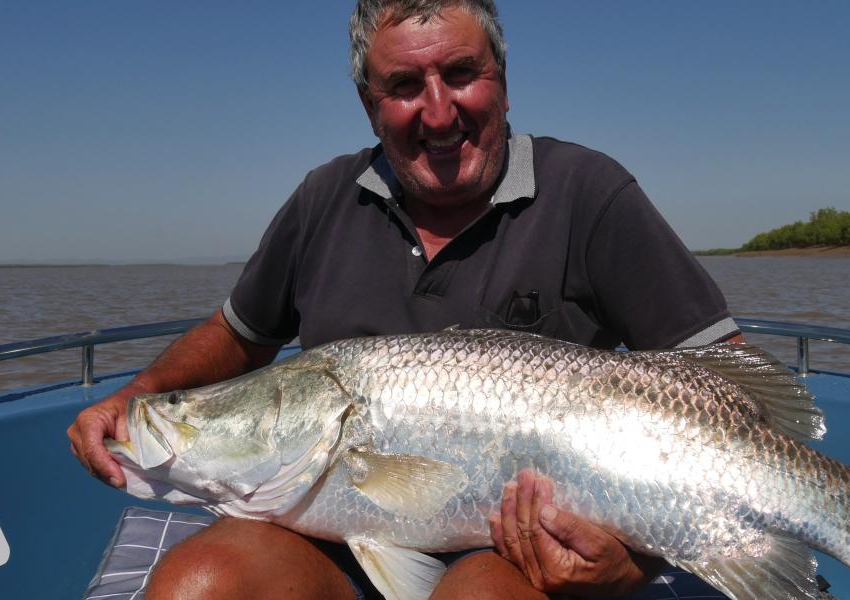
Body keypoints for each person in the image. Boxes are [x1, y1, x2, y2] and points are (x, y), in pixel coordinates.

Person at [68, 1, 741, 598]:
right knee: (196, 587)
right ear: (369, 103)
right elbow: (240, 334)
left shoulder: (590, 192)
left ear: (503, 83)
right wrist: (143, 396)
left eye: (461, 73)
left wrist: (638, 565)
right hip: (323, 534)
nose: (439, 110)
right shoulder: (322, 199)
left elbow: (729, 391)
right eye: (404, 86)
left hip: (520, 555)